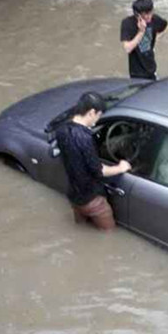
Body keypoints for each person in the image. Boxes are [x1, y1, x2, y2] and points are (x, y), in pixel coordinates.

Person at [55, 92, 131, 230]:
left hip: (74, 196)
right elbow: (99, 171)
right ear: (91, 112)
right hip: (92, 201)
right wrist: (121, 167)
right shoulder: (85, 138)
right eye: (98, 115)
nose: (97, 120)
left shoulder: (62, 129)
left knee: (80, 228)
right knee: (108, 234)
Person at [120, 0, 168, 80]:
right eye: (145, 14)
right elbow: (127, 48)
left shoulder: (154, 19)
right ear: (137, 14)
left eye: (150, 12)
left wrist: (157, 38)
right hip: (136, 73)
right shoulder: (127, 23)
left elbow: (166, 26)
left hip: (151, 68)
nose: (149, 16)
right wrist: (141, 32)